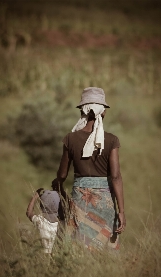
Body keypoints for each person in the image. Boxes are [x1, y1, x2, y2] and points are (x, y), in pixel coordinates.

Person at [52, 87, 126, 251]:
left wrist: (57, 182)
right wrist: (121, 211)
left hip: (80, 201)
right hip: (105, 203)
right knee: (104, 248)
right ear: (103, 112)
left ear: (82, 111)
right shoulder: (112, 140)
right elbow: (115, 177)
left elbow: (62, 174)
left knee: (79, 245)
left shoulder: (70, 139)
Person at [26, 188, 64, 254]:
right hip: (58, 254)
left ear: (41, 206)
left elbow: (29, 213)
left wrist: (35, 197)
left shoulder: (40, 221)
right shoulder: (62, 223)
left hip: (44, 255)